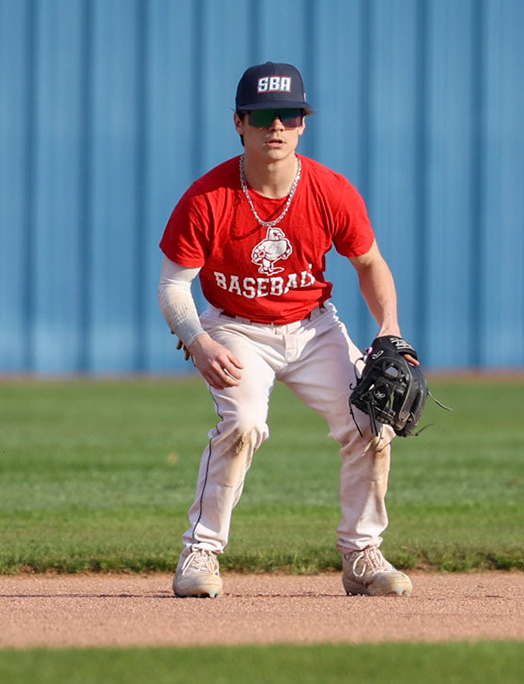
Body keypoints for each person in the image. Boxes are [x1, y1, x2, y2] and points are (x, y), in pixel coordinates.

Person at [157, 61, 417, 599]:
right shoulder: (207, 198)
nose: (276, 126)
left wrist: (390, 329)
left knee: (373, 421)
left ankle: (363, 555)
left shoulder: (329, 191)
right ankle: (200, 550)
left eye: (289, 115)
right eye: (263, 115)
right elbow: (173, 287)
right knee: (245, 422)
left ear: (302, 124)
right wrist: (198, 340)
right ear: (239, 123)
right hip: (234, 328)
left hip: (312, 326)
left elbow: (370, 263)